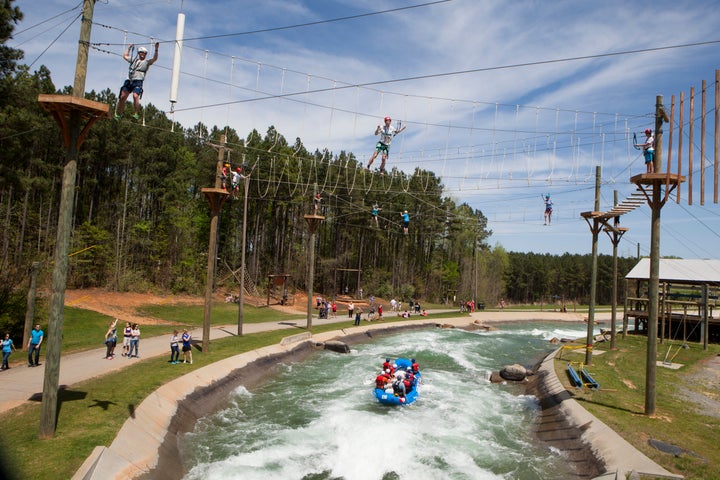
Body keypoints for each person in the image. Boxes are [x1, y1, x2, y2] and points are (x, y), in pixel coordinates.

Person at [116, 43, 159, 120]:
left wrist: (156, 49)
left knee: (135, 96)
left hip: (138, 81)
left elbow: (154, 59)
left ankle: (135, 113)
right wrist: (129, 48)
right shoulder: (134, 60)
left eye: (145, 53)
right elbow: (125, 56)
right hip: (129, 80)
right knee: (122, 97)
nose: (143, 54)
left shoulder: (146, 62)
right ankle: (120, 114)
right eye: (142, 52)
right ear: (139, 53)